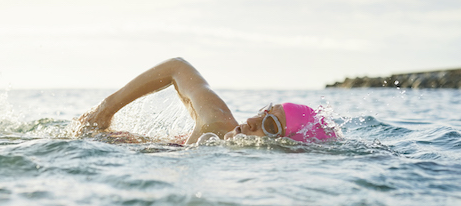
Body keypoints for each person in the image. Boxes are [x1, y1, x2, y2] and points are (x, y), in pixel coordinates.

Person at [78, 58, 337, 145]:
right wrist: (105, 110)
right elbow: (176, 66)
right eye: (264, 111)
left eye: (269, 125)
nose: (250, 122)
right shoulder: (216, 123)